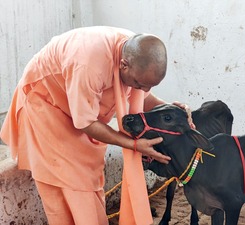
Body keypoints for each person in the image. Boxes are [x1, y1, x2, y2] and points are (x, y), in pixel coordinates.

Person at [0, 26, 193, 225]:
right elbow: (85, 122)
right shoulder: (89, 65)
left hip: (76, 108)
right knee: (66, 180)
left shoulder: (133, 53)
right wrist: (133, 144)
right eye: (138, 84)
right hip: (46, 106)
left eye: (149, 86)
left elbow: (142, 95)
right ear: (124, 65)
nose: (142, 91)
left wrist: (172, 109)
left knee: (87, 180)